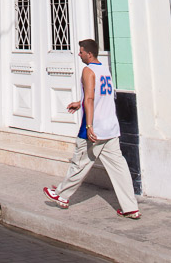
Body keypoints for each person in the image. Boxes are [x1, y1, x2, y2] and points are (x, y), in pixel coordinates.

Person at [43, 39, 141, 219]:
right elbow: (100, 96)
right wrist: (79, 103)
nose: (78, 54)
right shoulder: (105, 70)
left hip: (95, 127)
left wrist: (89, 125)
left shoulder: (87, 71)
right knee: (119, 168)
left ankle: (61, 194)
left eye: (81, 52)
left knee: (79, 162)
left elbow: (90, 98)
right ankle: (131, 207)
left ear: (89, 53)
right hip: (111, 127)